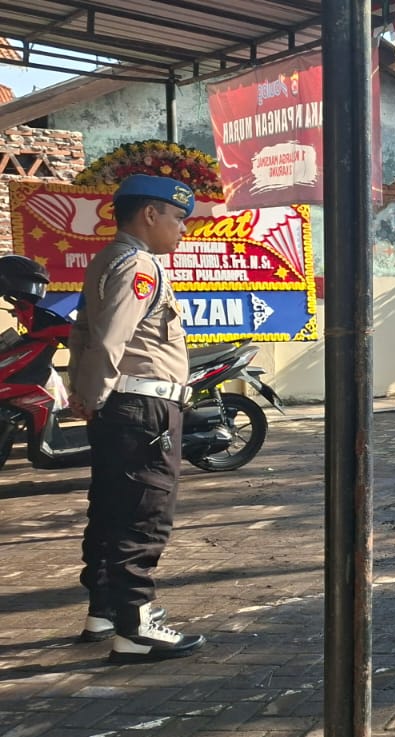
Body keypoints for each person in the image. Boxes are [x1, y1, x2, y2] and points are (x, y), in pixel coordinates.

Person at [68, 174, 205, 661]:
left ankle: (106, 611)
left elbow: (81, 333)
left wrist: (86, 394)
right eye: (178, 218)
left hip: (120, 405)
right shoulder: (139, 265)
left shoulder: (107, 259)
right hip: (144, 408)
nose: (182, 229)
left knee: (111, 508)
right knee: (144, 513)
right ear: (150, 214)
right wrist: (93, 395)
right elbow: (110, 338)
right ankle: (136, 627)